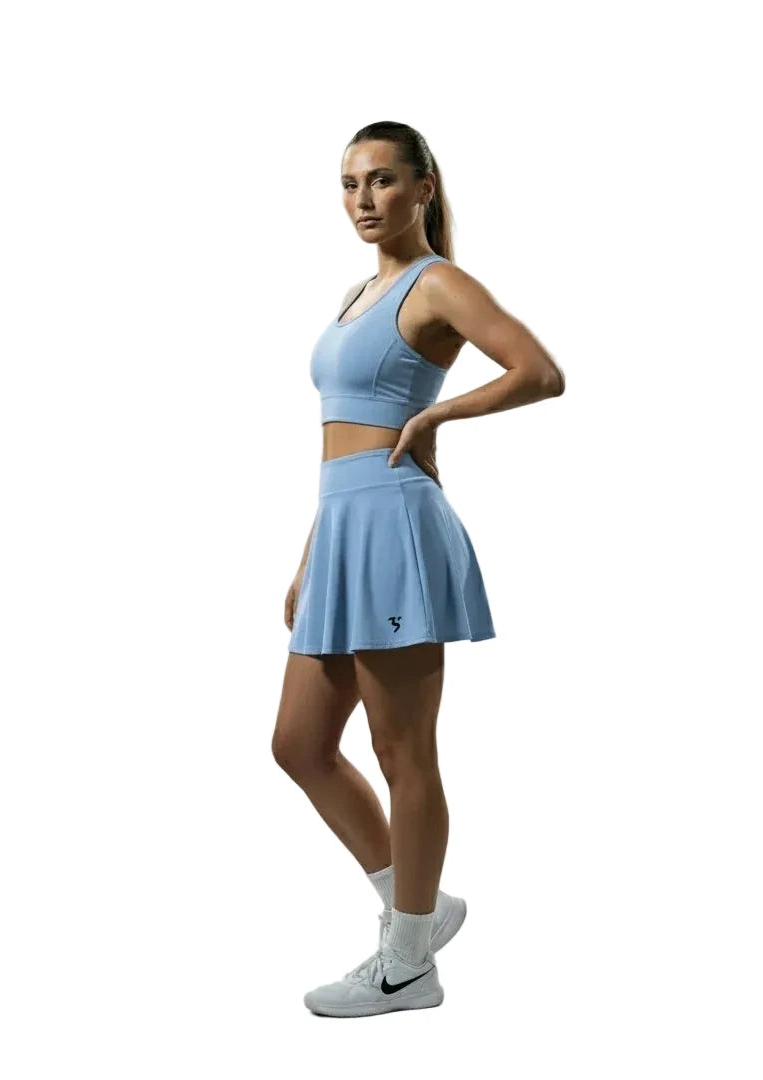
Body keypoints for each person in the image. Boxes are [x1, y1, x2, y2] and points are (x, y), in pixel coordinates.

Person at [272, 121, 565, 1017]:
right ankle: (421, 908)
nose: (364, 199)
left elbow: (539, 372)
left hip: (396, 528)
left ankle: (407, 964)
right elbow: (339, 438)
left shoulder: (438, 284)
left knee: (402, 752)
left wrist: (437, 418)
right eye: (350, 183)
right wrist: (312, 553)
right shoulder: (360, 292)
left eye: (382, 180)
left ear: (423, 187)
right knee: (299, 745)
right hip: (342, 528)